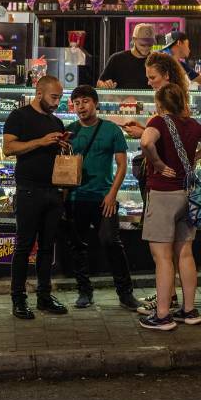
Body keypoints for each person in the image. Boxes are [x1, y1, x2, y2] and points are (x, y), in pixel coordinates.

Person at [137, 83, 201, 331]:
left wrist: (158, 163)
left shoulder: (159, 121)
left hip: (163, 195)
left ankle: (162, 315)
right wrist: (196, 156)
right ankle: (189, 310)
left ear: (160, 103)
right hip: (186, 195)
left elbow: (145, 142)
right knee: (185, 253)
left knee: (162, 258)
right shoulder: (192, 124)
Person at [63, 85, 143, 312]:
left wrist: (111, 195)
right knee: (78, 246)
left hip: (103, 198)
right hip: (76, 198)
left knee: (111, 242)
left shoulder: (111, 130)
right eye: (76, 103)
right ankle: (84, 292)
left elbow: (122, 165)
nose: (81, 107)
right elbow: (64, 165)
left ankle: (125, 293)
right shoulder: (69, 132)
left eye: (85, 101)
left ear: (95, 103)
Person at [3, 75, 69, 319]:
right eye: (54, 97)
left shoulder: (57, 122)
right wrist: (41, 142)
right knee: (23, 247)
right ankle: (18, 299)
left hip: (53, 191)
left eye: (60, 98)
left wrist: (61, 146)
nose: (57, 102)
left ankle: (44, 296)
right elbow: (9, 148)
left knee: (47, 248)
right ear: (39, 93)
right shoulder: (18, 117)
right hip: (29, 190)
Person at [121, 51, 188, 139]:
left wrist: (143, 133)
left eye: (152, 78)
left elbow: (174, 137)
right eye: (148, 78)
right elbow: (163, 130)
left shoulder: (175, 100)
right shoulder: (164, 99)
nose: (149, 83)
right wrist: (142, 128)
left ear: (166, 75)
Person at [97, 23, 155, 90]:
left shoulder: (156, 61)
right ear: (134, 40)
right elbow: (100, 83)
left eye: (150, 45)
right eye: (142, 45)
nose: (146, 48)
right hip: (121, 100)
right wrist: (105, 85)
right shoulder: (117, 59)